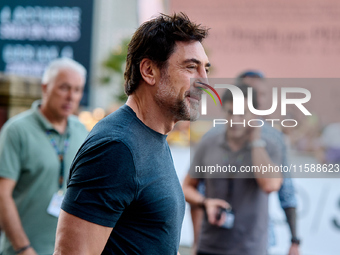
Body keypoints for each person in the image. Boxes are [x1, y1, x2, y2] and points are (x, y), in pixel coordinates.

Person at [53, 13, 210, 255]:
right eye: (191, 67)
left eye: (205, 69)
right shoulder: (116, 147)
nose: (204, 81)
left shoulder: (153, 135)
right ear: (149, 71)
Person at [189, 71, 300, 255]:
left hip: (254, 243)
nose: (236, 119)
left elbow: (282, 190)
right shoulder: (211, 138)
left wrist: (294, 240)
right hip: (212, 243)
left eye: (260, 94)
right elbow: (195, 190)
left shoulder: (272, 138)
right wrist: (196, 240)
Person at [0, 58, 88, 255]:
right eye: (64, 88)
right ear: (45, 87)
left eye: (77, 90)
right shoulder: (16, 131)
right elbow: (2, 195)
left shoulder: (82, 131)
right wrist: (23, 248)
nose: (71, 97)